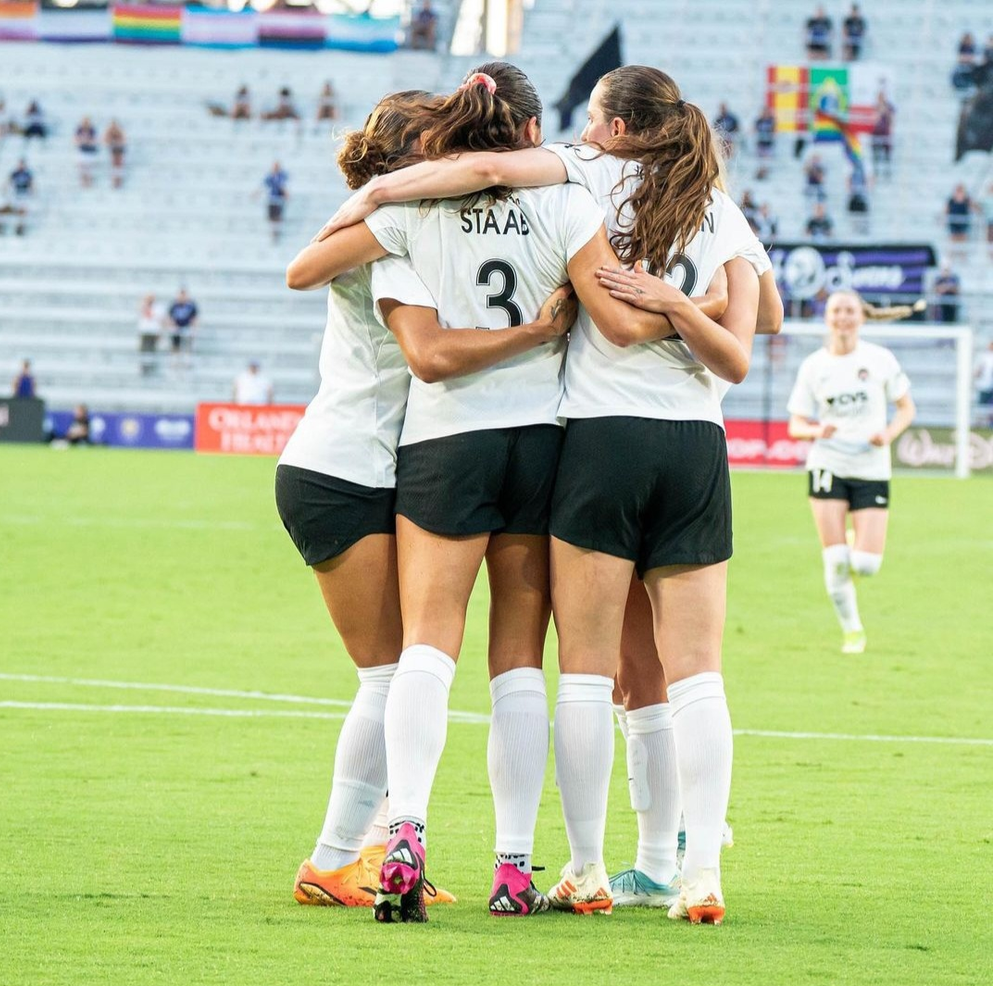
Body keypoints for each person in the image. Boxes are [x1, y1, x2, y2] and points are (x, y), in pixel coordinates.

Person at [288, 61, 746, 924]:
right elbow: (645, 320)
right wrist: (692, 304)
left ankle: (407, 831)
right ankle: (520, 865)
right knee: (526, 664)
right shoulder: (578, 203)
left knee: (423, 651)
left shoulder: (415, 214)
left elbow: (310, 273)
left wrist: (371, 196)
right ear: (535, 131)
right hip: (550, 440)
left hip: (446, 444)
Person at [280, 84, 580, 920]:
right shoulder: (395, 229)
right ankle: (334, 858)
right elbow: (409, 341)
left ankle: (377, 850)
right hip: (345, 467)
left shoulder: (408, 220)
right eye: (437, 144)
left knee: (395, 672)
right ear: (412, 157)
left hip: (373, 465)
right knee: (390, 674)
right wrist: (535, 334)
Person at [787, 291, 916, 654]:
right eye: (836, 311)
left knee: (866, 564)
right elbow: (796, 424)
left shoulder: (879, 359)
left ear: (862, 316)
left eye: (849, 310)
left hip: (871, 466)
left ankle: (850, 540)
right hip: (828, 464)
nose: (842, 317)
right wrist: (818, 430)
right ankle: (853, 632)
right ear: (826, 317)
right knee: (836, 560)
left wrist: (887, 434)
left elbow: (906, 409)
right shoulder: (814, 366)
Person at [167, 287, 198, 361]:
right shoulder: (174, 305)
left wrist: (194, 328)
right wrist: (173, 326)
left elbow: (194, 317)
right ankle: (175, 359)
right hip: (176, 327)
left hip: (187, 327)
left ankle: (188, 359)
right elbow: (170, 317)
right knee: (175, 344)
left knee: (187, 344)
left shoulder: (191, 305)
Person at [261, 162, 288, 243]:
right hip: (271, 199)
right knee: (271, 216)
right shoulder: (269, 176)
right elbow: (263, 185)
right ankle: (273, 233)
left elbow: (283, 186)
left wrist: (286, 194)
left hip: (278, 200)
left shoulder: (281, 177)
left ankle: (277, 232)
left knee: (278, 216)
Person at [138, 293, 163, 376]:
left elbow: (157, 318)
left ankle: (152, 369)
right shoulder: (143, 306)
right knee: (144, 350)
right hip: (145, 332)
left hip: (153, 332)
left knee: (152, 350)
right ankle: (144, 369)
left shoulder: (158, 308)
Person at [871, 93, 894, 178]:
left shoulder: (889, 107)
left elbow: (891, 120)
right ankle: (876, 173)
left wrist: (885, 111)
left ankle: (887, 173)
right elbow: (873, 120)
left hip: (885, 134)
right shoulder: (875, 107)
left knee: (887, 155)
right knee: (876, 155)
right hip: (876, 134)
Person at [74, 117, 98, 188]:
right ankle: (83, 182)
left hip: (90, 152)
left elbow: (95, 140)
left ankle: (89, 182)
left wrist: (88, 141)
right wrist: (82, 141)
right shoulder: (79, 129)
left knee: (89, 169)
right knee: (82, 168)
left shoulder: (92, 130)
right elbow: (75, 140)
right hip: (82, 151)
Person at [974, 340, 993, 427]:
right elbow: (977, 371)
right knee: (982, 405)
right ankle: (979, 423)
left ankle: (989, 424)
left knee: (990, 406)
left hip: (991, 386)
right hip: (984, 385)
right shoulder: (983, 357)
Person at [103, 120, 126, 189]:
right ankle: (115, 173)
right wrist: (111, 141)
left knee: (118, 160)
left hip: (119, 148)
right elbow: (105, 140)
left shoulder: (120, 131)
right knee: (114, 160)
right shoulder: (109, 131)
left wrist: (118, 142)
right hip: (113, 148)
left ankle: (118, 173)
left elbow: (123, 140)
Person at [754, 106, 775, 177]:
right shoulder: (759, 121)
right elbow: (754, 130)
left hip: (768, 143)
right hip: (760, 143)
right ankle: (760, 171)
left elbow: (774, 131)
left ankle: (765, 172)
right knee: (760, 159)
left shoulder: (771, 121)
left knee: (767, 159)